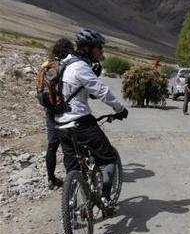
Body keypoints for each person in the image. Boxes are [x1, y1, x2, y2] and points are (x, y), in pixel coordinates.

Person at [55, 29, 128, 208]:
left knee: (73, 168)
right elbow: (102, 91)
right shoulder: (81, 66)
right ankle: (105, 198)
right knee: (109, 157)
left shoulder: (64, 63)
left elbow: (76, 89)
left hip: (60, 124)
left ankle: (73, 208)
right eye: (99, 48)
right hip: (80, 122)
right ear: (87, 48)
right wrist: (119, 109)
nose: (101, 52)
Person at [42, 39, 75, 189]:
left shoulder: (47, 66)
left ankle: (51, 179)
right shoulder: (68, 67)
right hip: (65, 111)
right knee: (69, 146)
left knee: (52, 146)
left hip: (50, 111)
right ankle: (72, 180)